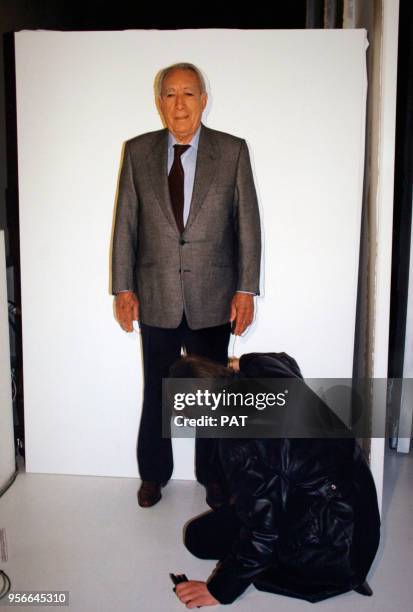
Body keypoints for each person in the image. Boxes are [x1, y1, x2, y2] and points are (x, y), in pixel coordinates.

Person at [111, 62, 261, 507]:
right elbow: (125, 224)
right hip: (155, 294)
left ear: (203, 100)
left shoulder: (232, 151)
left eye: (188, 94)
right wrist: (123, 287)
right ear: (160, 102)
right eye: (170, 94)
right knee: (156, 390)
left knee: (212, 395)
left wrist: (246, 289)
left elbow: (247, 225)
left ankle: (213, 478)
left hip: (212, 297)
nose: (179, 104)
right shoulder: (136, 152)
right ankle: (154, 474)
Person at [169, 352, 381, 608]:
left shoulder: (240, 443)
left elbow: (263, 532)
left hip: (335, 548)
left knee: (198, 539)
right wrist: (241, 362)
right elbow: (284, 359)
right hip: (362, 514)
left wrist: (219, 590)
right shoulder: (266, 370)